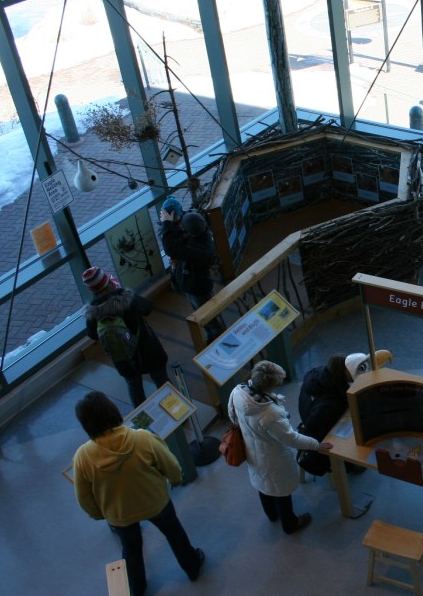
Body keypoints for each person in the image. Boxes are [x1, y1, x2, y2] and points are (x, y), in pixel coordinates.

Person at [72, 391, 204, 596]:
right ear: (112, 411)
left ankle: (137, 587)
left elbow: (84, 496)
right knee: (175, 533)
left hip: (119, 514)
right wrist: (176, 479)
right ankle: (192, 566)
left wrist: (100, 513)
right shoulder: (142, 438)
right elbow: (169, 464)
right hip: (155, 502)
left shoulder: (83, 456)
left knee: (131, 550)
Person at [228, 360, 334, 534]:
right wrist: (316, 445)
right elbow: (291, 438)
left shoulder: (238, 391)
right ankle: (290, 523)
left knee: (263, 484)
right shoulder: (270, 413)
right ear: (269, 386)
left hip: (252, 450)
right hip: (273, 457)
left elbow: (232, 416)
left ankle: (271, 515)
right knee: (280, 490)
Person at [83, 266, 168, 407]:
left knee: (134, 388)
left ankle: (143, 423)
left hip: (123, 358)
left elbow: (93, 335)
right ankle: (178, 415)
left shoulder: (93, 314)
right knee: (162, 381)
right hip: (148, 350)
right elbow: (147, 307)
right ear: (107, 281)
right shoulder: (128, 298)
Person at [158, 197, 225, 343]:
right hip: (192, 283)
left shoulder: (198, 250)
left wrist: (167, 224)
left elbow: (171, 248)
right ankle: (212, 333)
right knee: (202, 311)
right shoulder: (198, 230)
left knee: (209, 315)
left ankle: (220, 337)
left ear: (190, 232)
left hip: (197, 287)